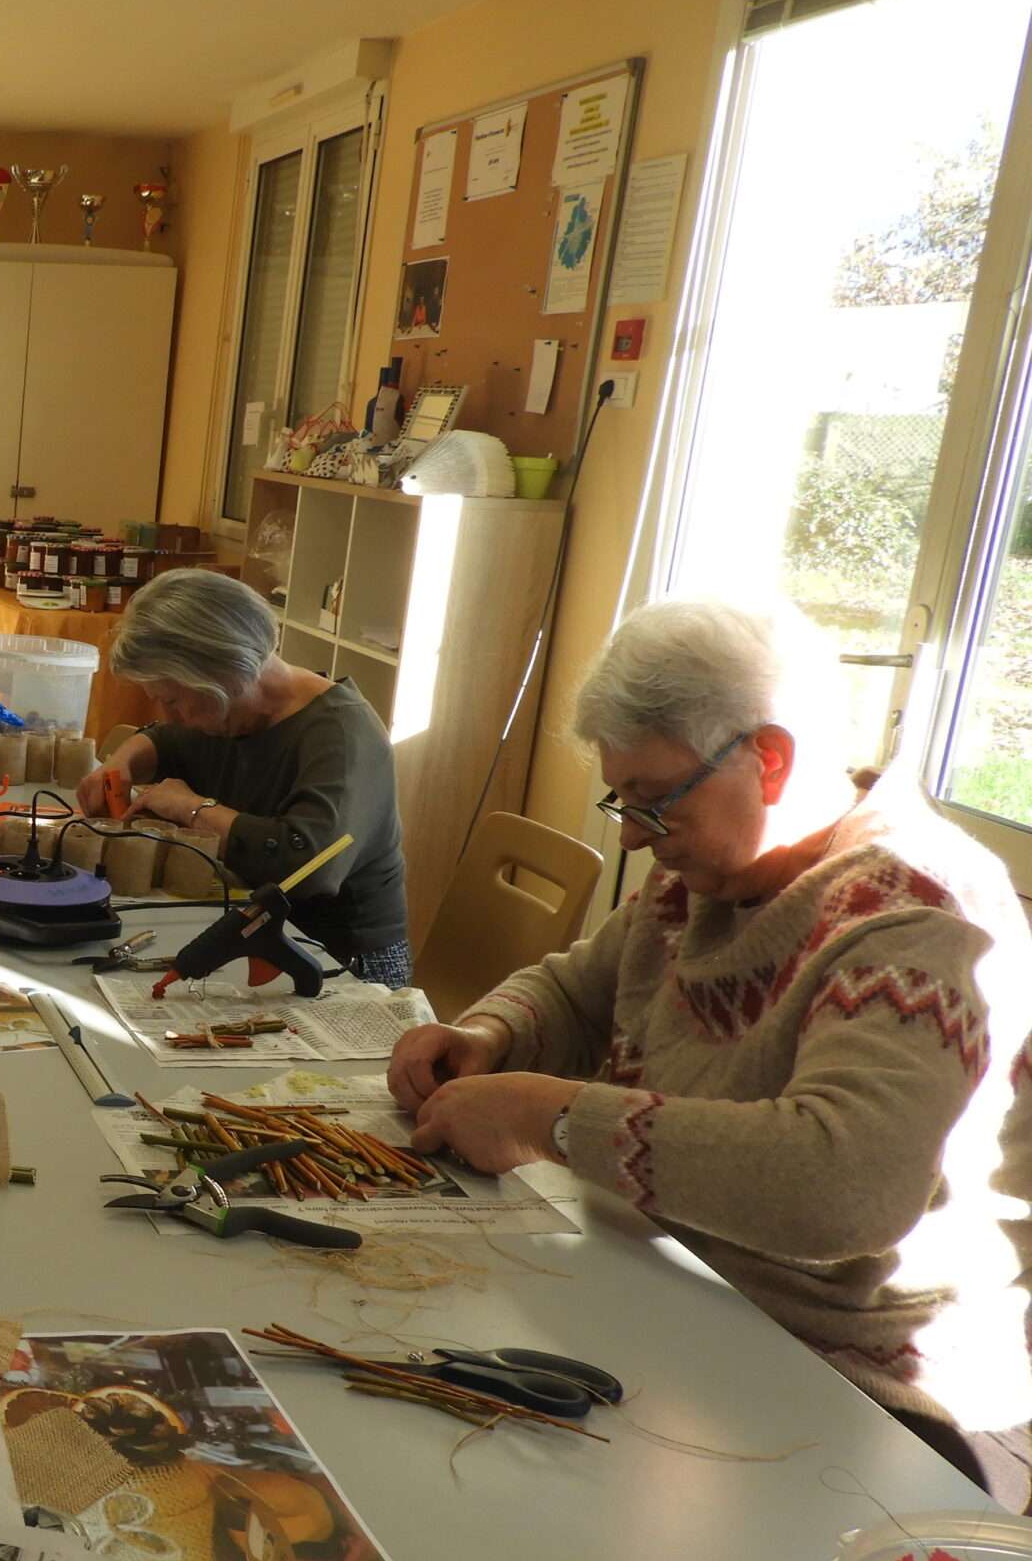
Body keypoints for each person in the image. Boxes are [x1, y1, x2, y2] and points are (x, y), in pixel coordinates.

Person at [389, 599, 1031, 1494]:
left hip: (864, 1381)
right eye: (623, 800)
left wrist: (553, 1119)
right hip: (682, 1286)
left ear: (770, 760)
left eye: (653, 801)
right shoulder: (710, 875)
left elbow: (841, 1186)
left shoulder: (918, 914)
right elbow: (578, 988)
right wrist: (487, 1033)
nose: (630, 834)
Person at [76, 569, 411, 983]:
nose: (168, 716)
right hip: (254, 933)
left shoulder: (342, 736)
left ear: (221, 675)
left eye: (172, 700)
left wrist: (194, 810)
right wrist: (122, 761)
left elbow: (307, 867)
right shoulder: (231, 712)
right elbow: (168, 740)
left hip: (336, 961)